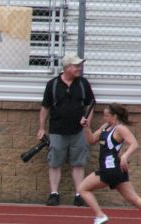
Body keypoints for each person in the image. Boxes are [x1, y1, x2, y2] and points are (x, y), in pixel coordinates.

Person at [78, 103, 141, 224]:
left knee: (82, 188)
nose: (104, 117)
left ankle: (100, 215)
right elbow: (91, 140)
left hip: (110, 169)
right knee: (134, 199)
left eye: (107, 115)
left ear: (115, 116)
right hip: (117, 170)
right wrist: (86, 127)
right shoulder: (105, 127)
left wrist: (125, 156)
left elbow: (134, 144)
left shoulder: (120, 128)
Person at [37, 53, 96, 207]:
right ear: (67, 67)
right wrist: (41, 128)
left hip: (79, 131)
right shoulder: (53, 84)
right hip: (57, 130)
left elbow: (90, 105)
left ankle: (79, 193)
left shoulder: (83, 83)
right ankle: (54, 193)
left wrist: (87, 124)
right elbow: (45, 107)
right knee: (55, 162)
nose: (79, 68)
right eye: (76, 66)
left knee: (78, 163)